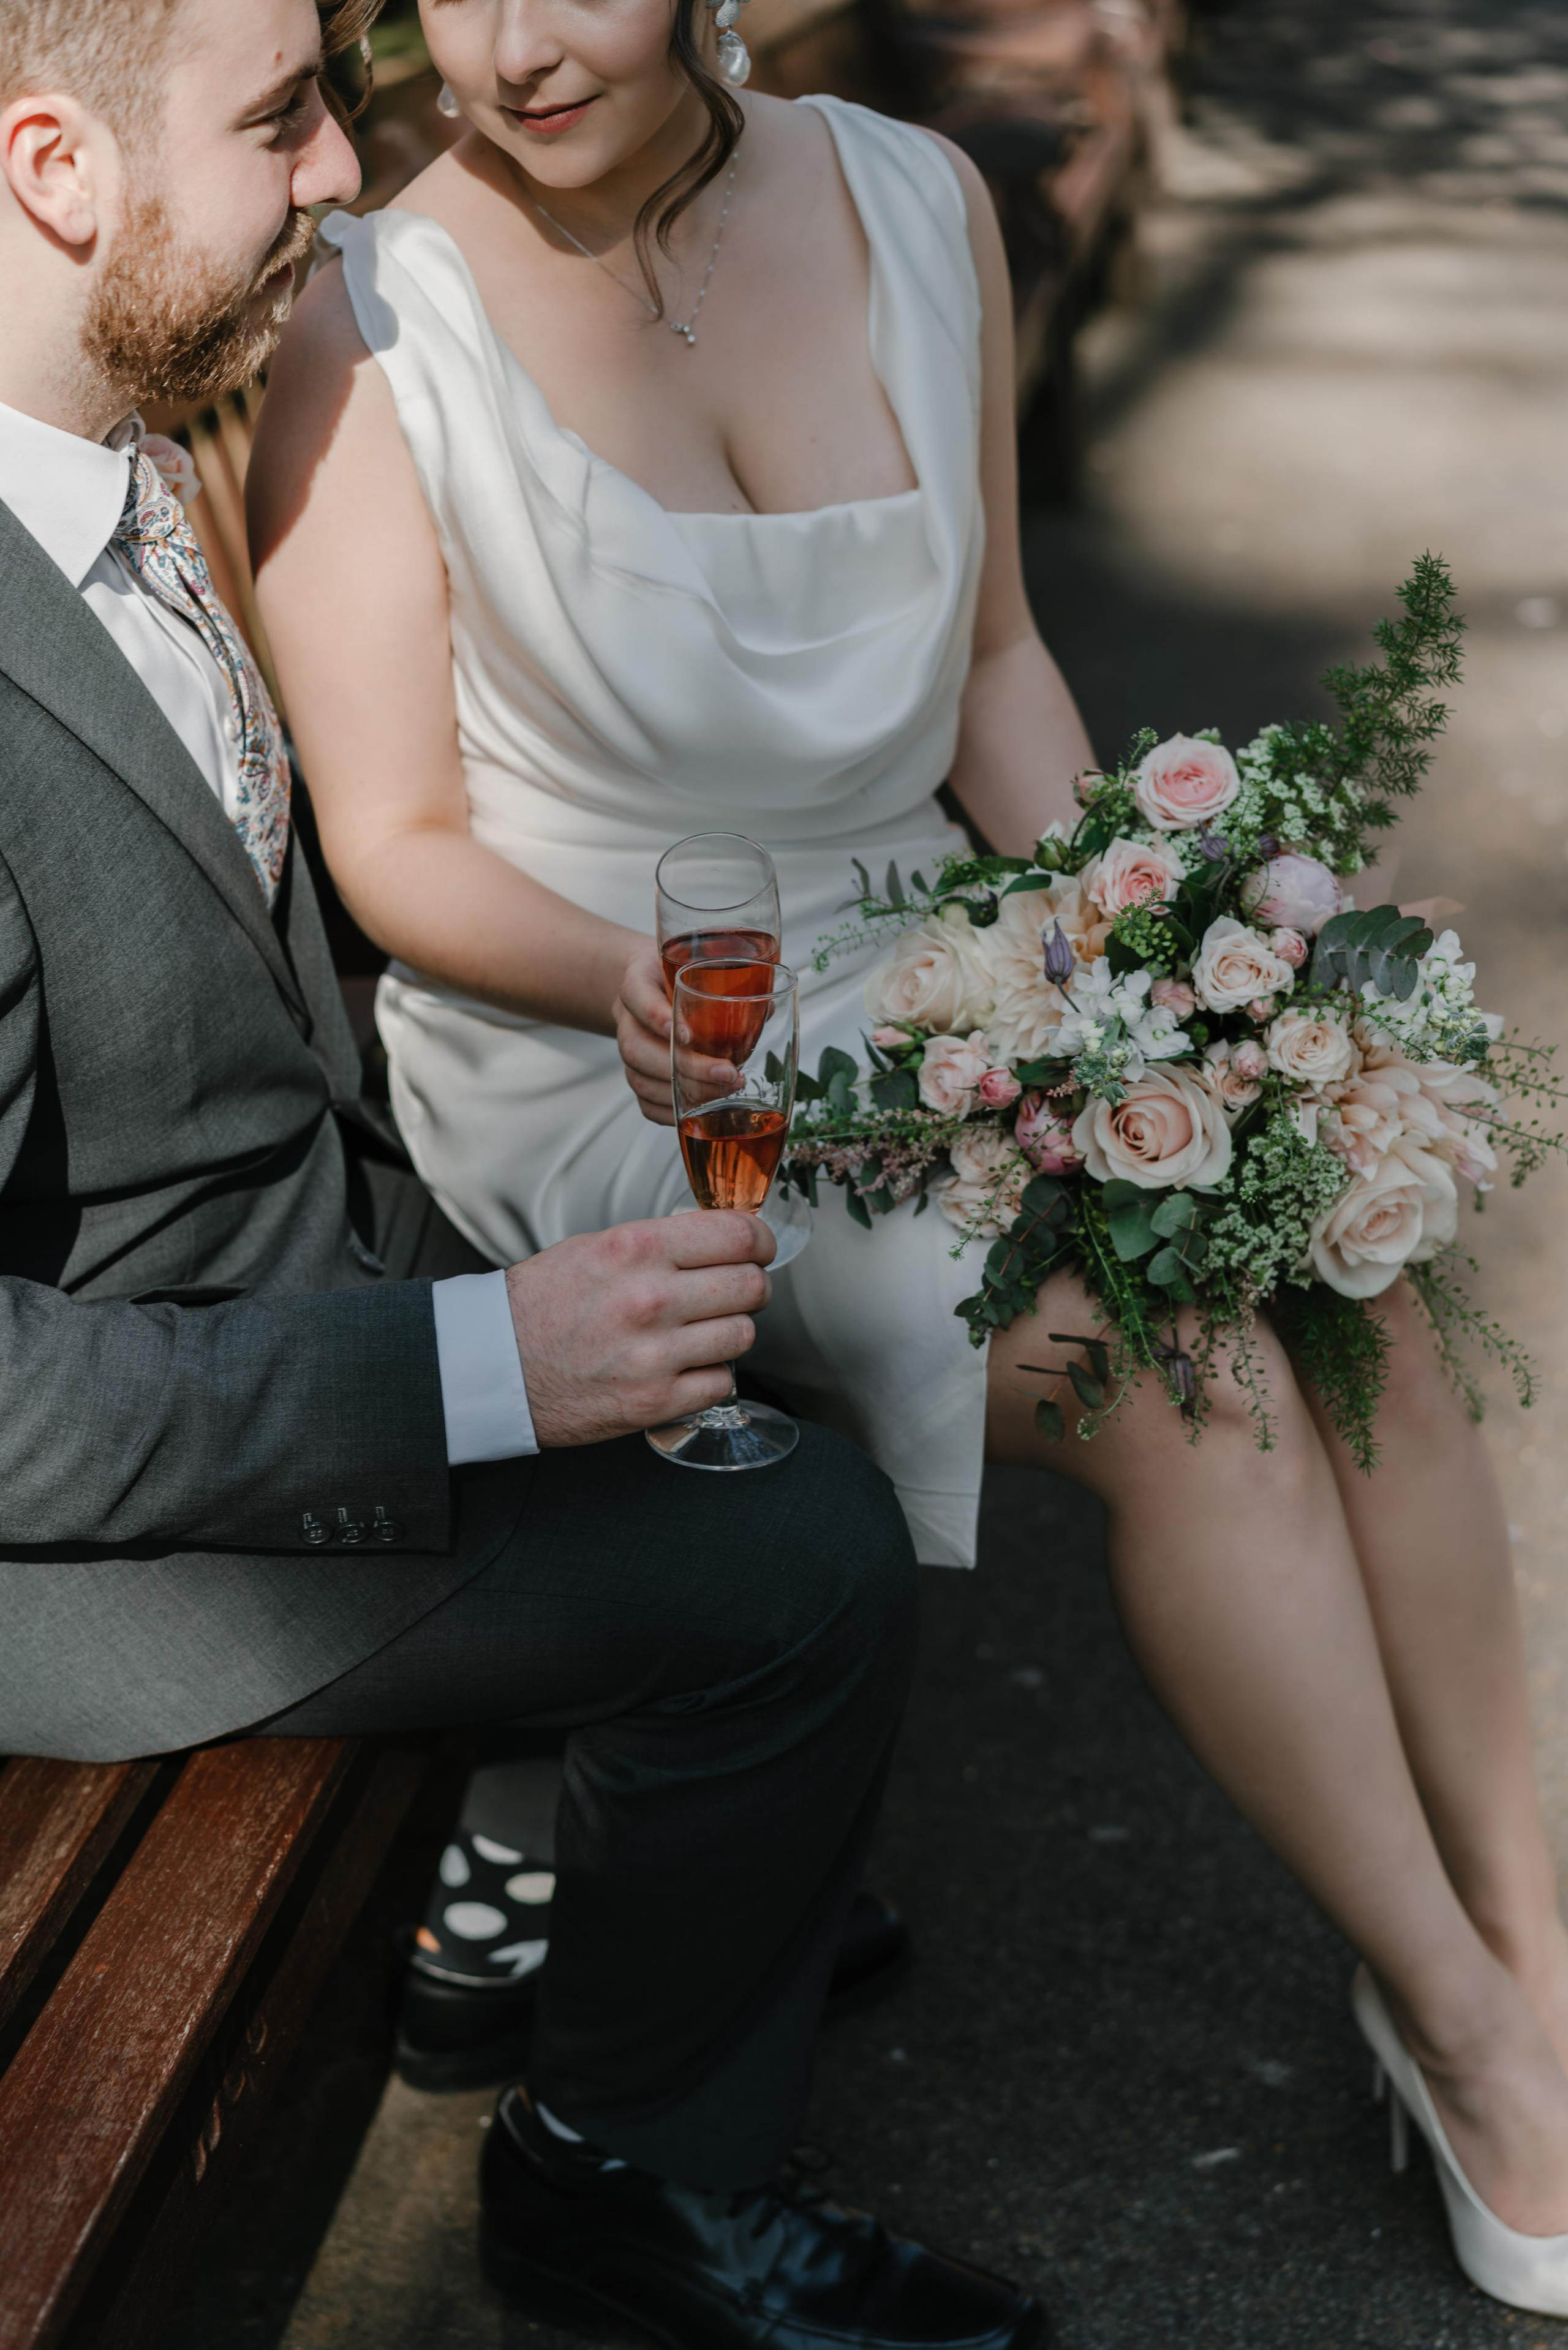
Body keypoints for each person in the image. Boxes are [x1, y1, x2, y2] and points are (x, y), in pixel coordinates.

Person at [249, 0, 1568, 2317]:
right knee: (1200, 1384)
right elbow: (396, 845)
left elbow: (993, 672)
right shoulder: (363, 310)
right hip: (633, 1041)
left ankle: (1530, 1956)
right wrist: (622, 989)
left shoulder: (916, 199)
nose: (517, 42)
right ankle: (1461, 2042)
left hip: (937, 940)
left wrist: (1184, 963)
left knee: (1349, 1241)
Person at [0, 5, 1049, 2344]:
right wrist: (475, 1360)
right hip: (97, 1546)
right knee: (797, 1555)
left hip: (310, 1262)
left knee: (758, 1376)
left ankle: (616, 1897)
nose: (347, 180)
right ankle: (624, 2190)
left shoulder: (115, 460)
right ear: (57, 166)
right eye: (281, 124)